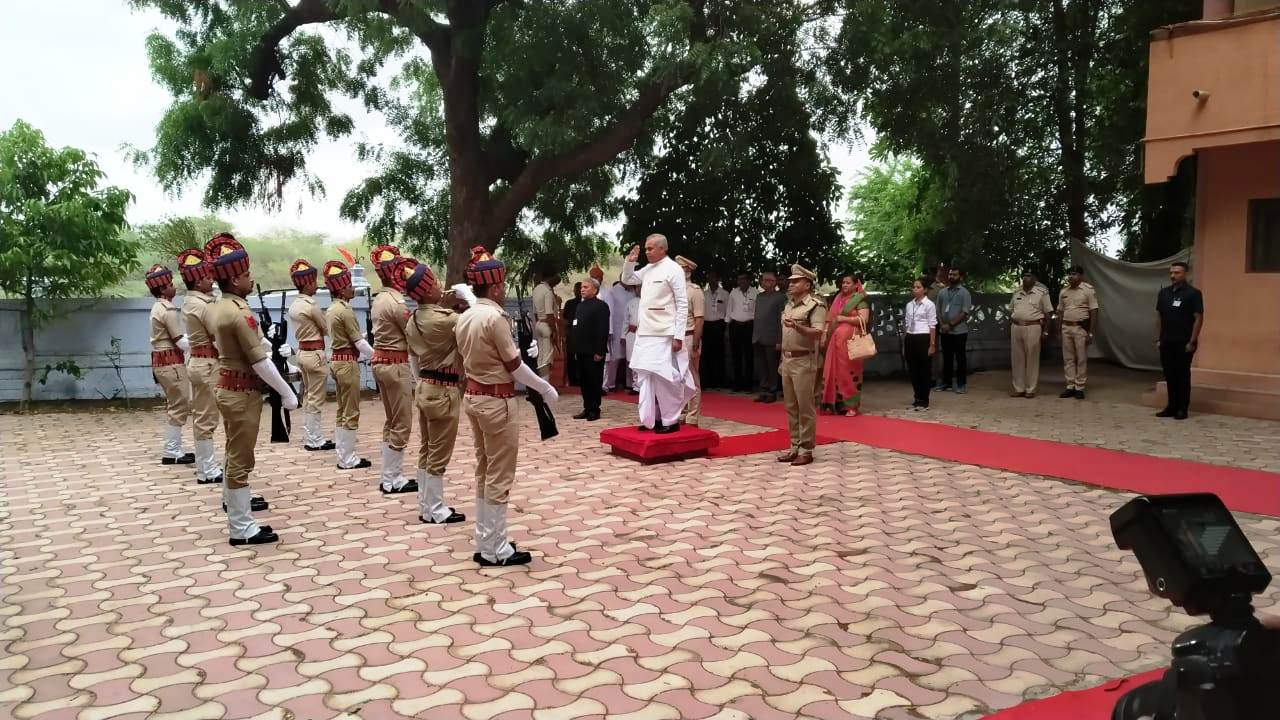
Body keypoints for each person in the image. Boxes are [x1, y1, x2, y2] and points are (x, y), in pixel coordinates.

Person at [455, 246, 558, 566]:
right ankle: (496, 550)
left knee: (484, 471)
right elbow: (515, 367)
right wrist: (544, 386)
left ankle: (486, 539)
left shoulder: (466, 316)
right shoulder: (495, 317)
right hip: (497, 402)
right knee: (499, 475)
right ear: (496, 286)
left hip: (473, 398)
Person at [205, 234, 297, 546]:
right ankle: (242, 529)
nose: (250, 278)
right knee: (241, 458)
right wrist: (286, 391)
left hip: (231, 387)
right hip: (242, 392)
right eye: (245, 274)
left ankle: (235, 509)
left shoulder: (222, 307)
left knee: (234, 454)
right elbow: (258, 362)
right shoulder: (238, 311)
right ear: (233, 278)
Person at [401, 258, 466, 525]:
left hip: (426, 385)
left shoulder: (414, 319)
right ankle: (437, 510)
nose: (440, 286)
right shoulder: (445, 320)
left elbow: (415, 357)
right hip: (443, 388)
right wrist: (468, 297)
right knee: (439, 453)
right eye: (435, 283)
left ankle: (426, 506)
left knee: (426, 449)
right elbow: (474, 322)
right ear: (427, 291)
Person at [622, 234, 694, 433]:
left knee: (665, 378)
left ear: (663, 249)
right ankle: (651, 418)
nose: (647, 252)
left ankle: (670, 420)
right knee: (645, 376)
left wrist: (678, 336)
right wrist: (630, 262)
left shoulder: (673, 269)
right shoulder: (649, 268)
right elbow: (628, 279)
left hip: (664, 333)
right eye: (645, 248)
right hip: (645, 332)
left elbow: (682, 304)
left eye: (650, 248)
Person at [369, 244, 416, 495]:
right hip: (396, 365)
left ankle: (388, 477)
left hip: (381, 363)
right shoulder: (397, 303)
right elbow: (413, 333)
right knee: (402, 423)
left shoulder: (380, 298)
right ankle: (393, 479)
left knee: (392, 421)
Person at [175, 249, 223, 483]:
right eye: (206, 278)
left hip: (201, 361)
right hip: (207, 364)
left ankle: (207, 466)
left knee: (204, 416)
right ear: (197, 280)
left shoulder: (194, 301)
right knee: (206, 417)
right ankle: (207, 469)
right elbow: (219, 335)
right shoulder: (202, 305)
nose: (211, 280)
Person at [322, 260, 373, 470]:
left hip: (336, 360)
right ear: (341, 288)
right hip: (347, 364)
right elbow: (358, 343)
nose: (352, 288)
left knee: (342, 410)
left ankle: (343, 455)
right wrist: (376, 356)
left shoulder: (332, 309)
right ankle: (348, 459)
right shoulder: (346, 310)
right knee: (351, 411)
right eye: (349, 285)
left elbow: (349, 338)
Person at [777, 265, 827, 466]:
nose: (791, 284)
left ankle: (807, 449)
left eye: (796, 281)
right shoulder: (789, 305)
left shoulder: (815, 305)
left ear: (807, 284)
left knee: (805, 406)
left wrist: (798, 326)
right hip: (788, 359)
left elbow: (818, 332)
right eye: (791, 281)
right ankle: (794, 446)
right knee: (790, 406)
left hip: (804, 359)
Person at [145, 264, 194, 466]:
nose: (174, 288)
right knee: (179, 405)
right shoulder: (168, 309)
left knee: (176, 404)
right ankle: (172, 451)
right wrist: (204, 341)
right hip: (171, 362)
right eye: (171, 285)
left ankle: (173, 449)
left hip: (161, 361)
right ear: (163, 288)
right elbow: (180, 341)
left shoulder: (157, 306)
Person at [287, 259, 334, 451]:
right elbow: (325, 328)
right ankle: (314, 439)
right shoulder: (311, 305)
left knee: (308, 396)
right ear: (307, 284)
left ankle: (311, 435)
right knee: (316, 398)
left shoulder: (294, 305)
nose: (316, 285)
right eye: (313, 282)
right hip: (315, 354)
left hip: (302, 352)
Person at [1156, 261, 1204, 420]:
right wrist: (1159, 338)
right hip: (1166, 341)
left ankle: (1182, 409)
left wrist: (1192, 341)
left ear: (1185, 274)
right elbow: (1159, 317)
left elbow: (1198, 318)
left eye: (1177, 273)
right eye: (1171, 272)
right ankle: (1171, 406)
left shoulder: (1193, 293)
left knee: (1182, 375)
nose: (1173, 276)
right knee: (1169, 374)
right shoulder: (1164, 293)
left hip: (1184, 342)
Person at [820, 274, 871, 417]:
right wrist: (824, 334)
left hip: (851, 343)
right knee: (833, 371)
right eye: (843, 283)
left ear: (856, 285)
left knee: (848, 372)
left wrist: (844, 318)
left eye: (848, 283)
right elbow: (829, 319)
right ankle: (835, 403)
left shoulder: (860, 300)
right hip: (835, 342)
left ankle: (852, 406)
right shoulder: (838, 299)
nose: (844, 285)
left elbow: (864, 319)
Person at [569, 277, 610, 421]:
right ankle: (587, 407)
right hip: (581, 350)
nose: (582, 289)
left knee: (594, 380)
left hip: (594, 351)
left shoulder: (601, 306)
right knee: (584, 381)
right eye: (582, 287)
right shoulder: (580, 306)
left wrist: (599, 350)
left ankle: (594, 409)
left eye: (586, 287)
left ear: (595, 290)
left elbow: (603, 330)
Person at [1007, 269, 1053, 398]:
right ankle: (1018, 388)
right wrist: (1007, 328)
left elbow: (1048, 314)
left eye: (1028, 276)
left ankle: (1030, 389)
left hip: (1033, 327)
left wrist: (1046, 331)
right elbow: (1010, 311)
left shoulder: (1041, 293)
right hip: (1016, 327)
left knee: (1032, 358)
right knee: (1017, 359)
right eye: (1024, 276)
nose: (1025, 278)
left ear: (1035, 279)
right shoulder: (1017, 292)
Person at [1057, 265, 1099, 399]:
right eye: (1069, 274)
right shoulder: (1064, 292)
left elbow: (1094, 311)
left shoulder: (1087, 290)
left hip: (1081, 328)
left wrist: (1091, 332)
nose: (1071, 276)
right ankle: (1070, 386)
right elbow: (1060, 311)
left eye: (1074, 274)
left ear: (1081, 276)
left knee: (1081, 358)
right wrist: (1058, 330)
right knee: (1068, 358)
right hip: (1066, 327)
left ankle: (1080, 387)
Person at [677, 256, 706, 427]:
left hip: (689, 335)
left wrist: (696, 342)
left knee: (692, 377)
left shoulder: (694, 291)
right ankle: (682, 411)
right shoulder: (674, 290)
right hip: (676, 337)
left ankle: (693, 415)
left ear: (688, 271)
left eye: (681, 269)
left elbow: (699, 318)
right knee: (679, 377)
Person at [904, 277, 938, 410]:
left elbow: (932, 325)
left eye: (918, 287)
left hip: (924, 337)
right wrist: (905, 340)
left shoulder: (929, 305)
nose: (915, 289)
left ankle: (924, 398)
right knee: (913, 369)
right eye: (914, 287)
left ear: (924, 290)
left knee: (924, 369)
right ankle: (917, 396)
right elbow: (907, 324)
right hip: (911, 337)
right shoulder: (909, 305)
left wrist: (932, 344)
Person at [936, 267, 972, 393]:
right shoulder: (942, 292)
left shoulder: (964, 293)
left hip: (959, 332)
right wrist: (942, 325)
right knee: (947, 358)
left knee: (960, 358)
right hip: (945, 332)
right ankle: (947, 383)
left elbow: (964, 313)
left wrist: (950, 325)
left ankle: (961, 384)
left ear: (960, 277)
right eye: (950, 274)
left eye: (954, 275)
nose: (951, 277)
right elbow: (938, 311)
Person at [752, 271, 786, 403]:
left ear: (774, 282)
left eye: (768, 280)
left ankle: (772, 391)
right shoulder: (759, 296)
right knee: (762, 365)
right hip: (758, 335)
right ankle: (763, 390)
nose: (765, 282)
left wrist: (780, 339)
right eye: (764, 280)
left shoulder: (780, 297)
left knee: (772, 366)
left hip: (772, 336)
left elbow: (781, 320)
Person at [727, 273, 757, 392]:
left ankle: (748, 384)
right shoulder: (734, 292)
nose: (741, 281)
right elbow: (729, 309)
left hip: (749, 326)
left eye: (744, 279)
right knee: (736, 355)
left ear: (749, 281)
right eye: (739, 279)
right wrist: (727, 325)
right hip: (735, 326)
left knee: (749, 355)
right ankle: (737, 383)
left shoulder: (755, 293)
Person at [701, 270, 729, 389]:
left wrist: (726, 328)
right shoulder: (703, 294)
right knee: (706, 354)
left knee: (719, 353)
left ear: (718, 280)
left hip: (719, 325)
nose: (712, 280)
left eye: (714, 278)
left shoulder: (725, 294)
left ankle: (719, 381)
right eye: (710, 278)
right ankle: (706, 381)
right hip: (706, 325)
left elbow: (728, 311)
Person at [603, 273, 629, 394]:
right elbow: (610, 312)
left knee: (631, 358)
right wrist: (610, 330)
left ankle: (630, 384)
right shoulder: (613, 291)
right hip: (616, 328)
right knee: (615, 358)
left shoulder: (634, 290)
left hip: (631, 329)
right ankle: (610, 383)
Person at [532, 269, 560, 381]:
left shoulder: (536, 289)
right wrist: (554, 331)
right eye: (556, 281)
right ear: (550, 278)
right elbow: (549, 313)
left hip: (539, 323)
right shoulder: (548, 291)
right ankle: (545, 386)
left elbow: (534, 312)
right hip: (547, 325)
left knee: (541, 357)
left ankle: (540, 384)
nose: (556, 284)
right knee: (547, 358)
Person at [562, 281, 583, 387]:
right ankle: (572, 379)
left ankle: (582, 378)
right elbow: (564, 319)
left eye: (580, 289)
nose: (577, 291)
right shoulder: (569, 303)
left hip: (583, 333)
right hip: (571, 333)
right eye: (576, 289)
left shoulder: (586, 303)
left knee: (582, 357)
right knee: (571, 357)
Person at [623, 281, 640, 393]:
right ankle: (635, 385)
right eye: (637, 287)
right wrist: (623, 335)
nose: (639, 289)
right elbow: (625, 320)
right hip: (632, 335)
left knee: (641, 361)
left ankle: (641, 385)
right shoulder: (630, 302)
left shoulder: (650, 302)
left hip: (644, 334)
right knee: (632, 361)